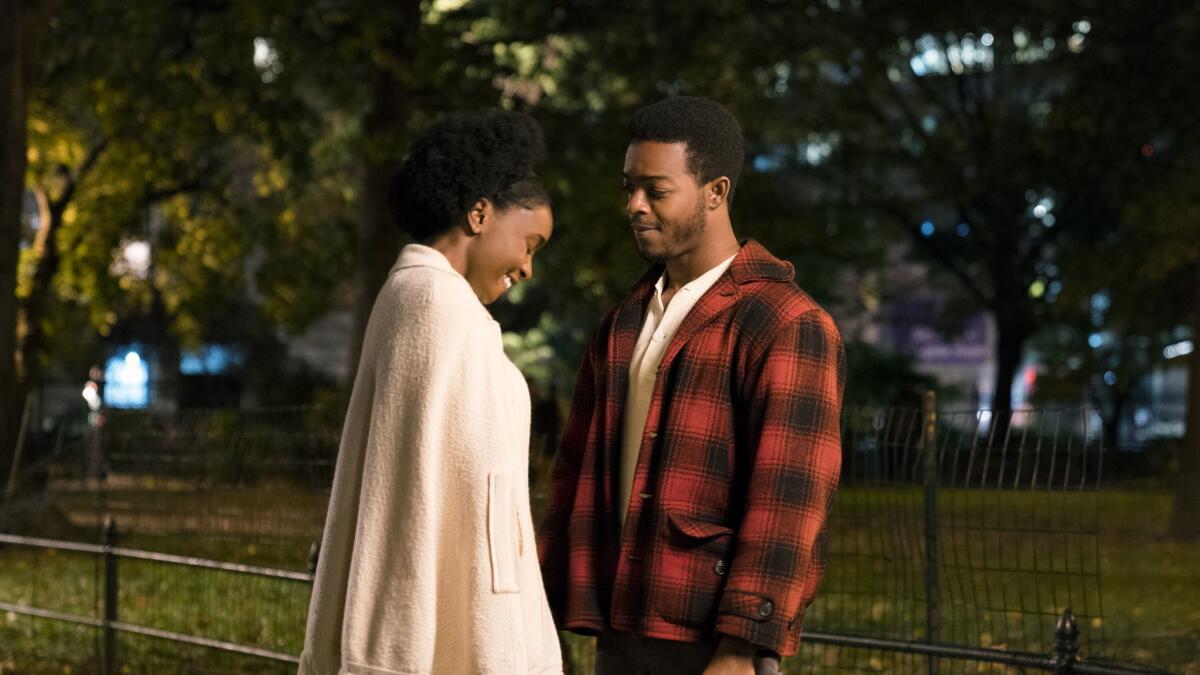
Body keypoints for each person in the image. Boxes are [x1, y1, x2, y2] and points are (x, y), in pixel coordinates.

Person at [537, 96, 845, 675]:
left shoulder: (785, 322)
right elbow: (573, 473)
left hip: (714, 641)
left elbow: (790, 500)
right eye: (628, 187)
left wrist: (741, 645)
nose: (634, 206)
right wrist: (539, 614)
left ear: (716, 192)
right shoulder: (623, 321)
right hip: (620, 626)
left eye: (656, 189)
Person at [300, 109, 562, 675]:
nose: (528, 267)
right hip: (444, 636)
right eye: (530, 242)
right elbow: (408, 505)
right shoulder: (433, 305)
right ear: (479, 214)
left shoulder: (437, 304)